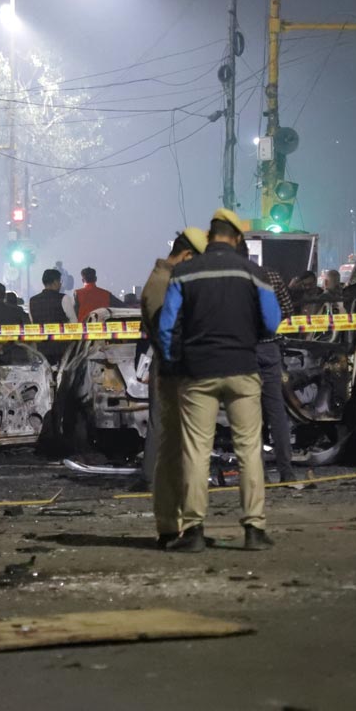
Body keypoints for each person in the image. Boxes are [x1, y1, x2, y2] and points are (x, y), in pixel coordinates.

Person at [155, 209, 281, 552]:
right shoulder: (255, 273)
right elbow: (272, 323)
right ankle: (254, 529)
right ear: (237, 239)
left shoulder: (184, 272)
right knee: (249, 450)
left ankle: (193, 530)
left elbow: (167, 329)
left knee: (196, 451)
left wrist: (176, 362)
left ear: (209, 238)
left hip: (198, 373)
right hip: (243, 369)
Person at [142, 227, 208, 545]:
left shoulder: (164, 279)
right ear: (187, 256)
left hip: (173, 371)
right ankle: (170, 525)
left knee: (176, 451)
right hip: (173, 374)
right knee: (173, 453)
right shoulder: (162, 283)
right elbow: (164, 334)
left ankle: (173, 524)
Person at [249, 253, 298, 484]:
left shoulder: (237, 278)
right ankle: (286, 471)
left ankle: (257, 472)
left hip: (245, 351)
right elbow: (287, 309)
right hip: (270, 349)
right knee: (277, 412)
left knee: (250, 414)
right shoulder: (272, 276)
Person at [29, 268, 75, 363]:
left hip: (41, 349)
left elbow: (32, 323)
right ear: (55, 282)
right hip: (62, 349)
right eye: (59, 281)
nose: (60, 284)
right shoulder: (64, 298)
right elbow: (74, 323)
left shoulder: (32, 300)